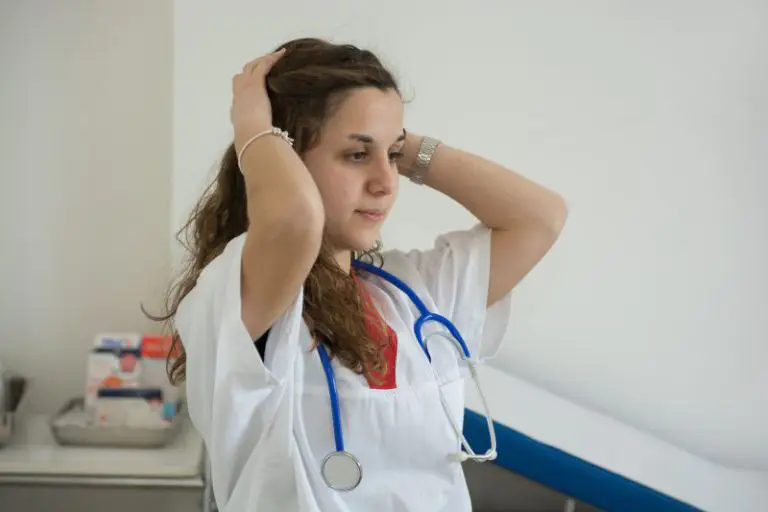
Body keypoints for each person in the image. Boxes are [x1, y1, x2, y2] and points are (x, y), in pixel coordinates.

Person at [156, 37, 568, 511]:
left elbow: (540, 218)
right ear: (288, 156)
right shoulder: (242, 300)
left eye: (392, 156)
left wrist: (399, 143)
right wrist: (252, 123)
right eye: (356, 155)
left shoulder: (412, 294)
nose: (386, 182)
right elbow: (297, 218)